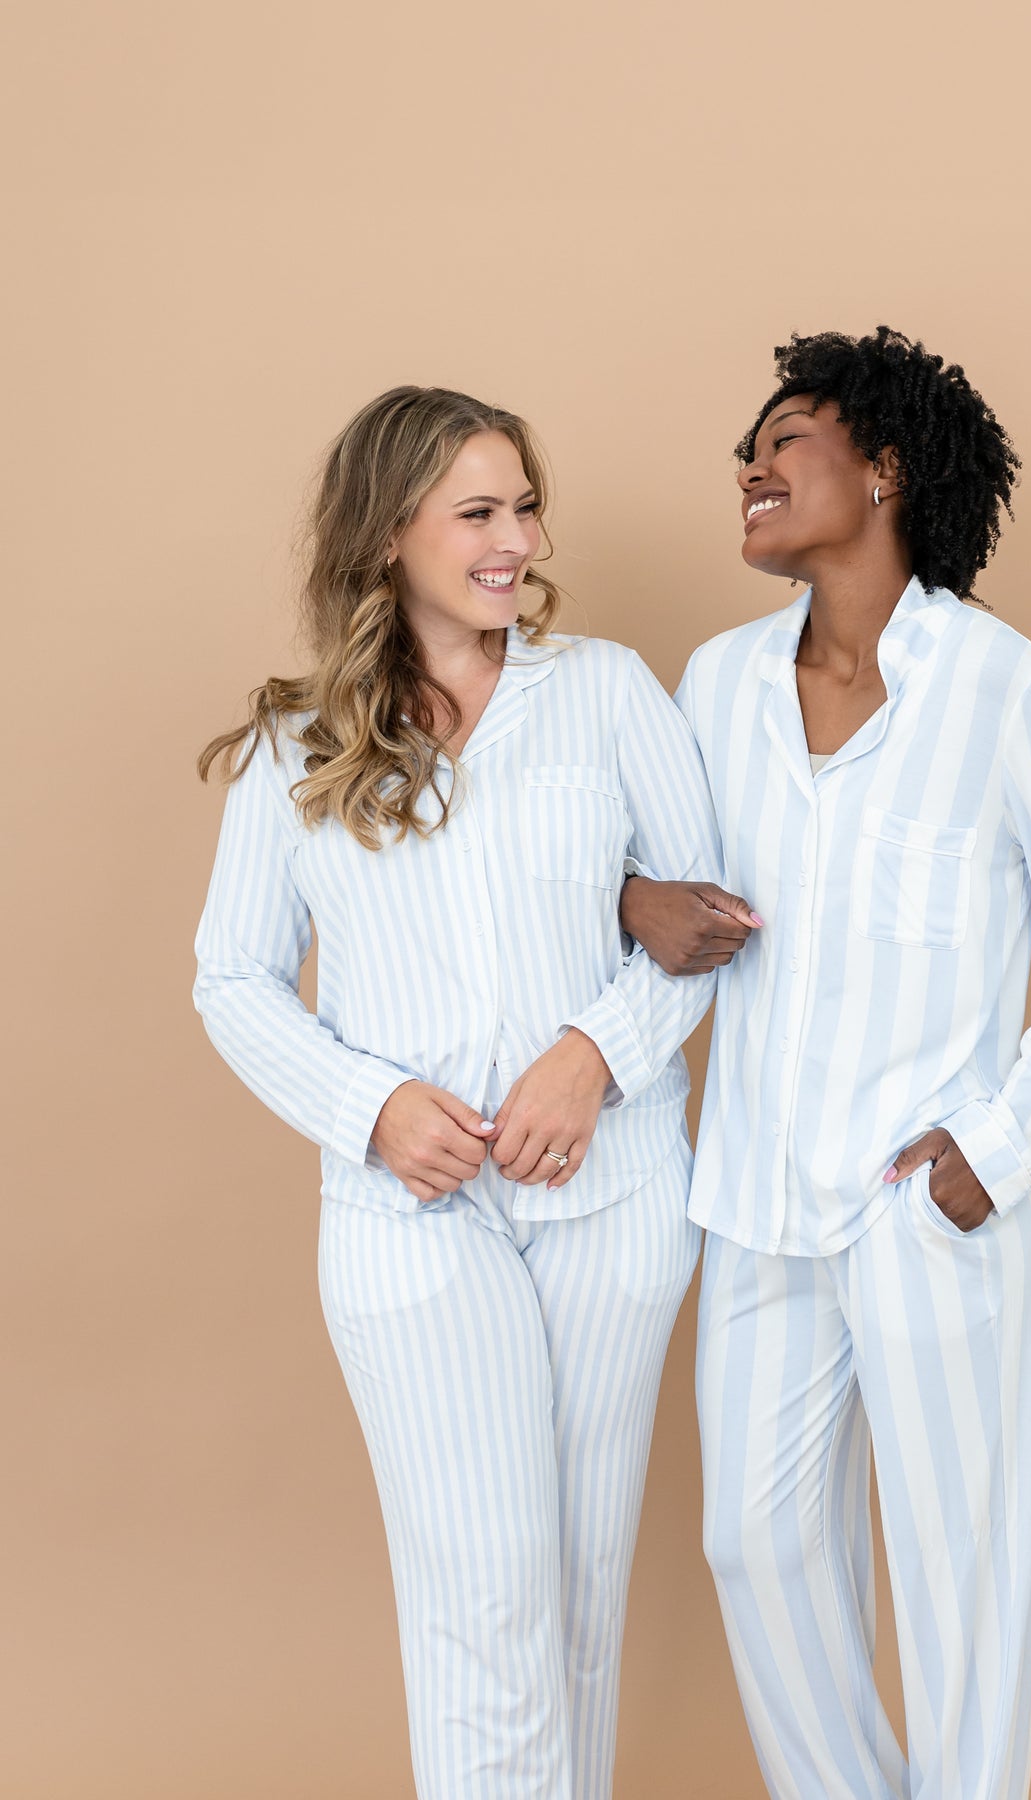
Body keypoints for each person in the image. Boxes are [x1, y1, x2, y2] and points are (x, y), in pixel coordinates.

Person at [621, 328, 1031, 1800]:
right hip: (757, 1202)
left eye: (787, 436)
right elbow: (644, 882)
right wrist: (628, 903)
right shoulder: (714, 685)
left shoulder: (1002, 688)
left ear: (889, 467)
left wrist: (1000, 1143)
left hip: (927, 1205)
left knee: (959, 1564)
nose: (753, 463)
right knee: (758, 1542)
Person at [193, 386, 734, 1800]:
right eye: (478, 512)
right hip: (412, 1223)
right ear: (388, 536)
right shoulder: (294, 747)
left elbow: (708, 926)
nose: (517, 540)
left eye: (524, 506)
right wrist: (368, 1106)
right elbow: (231, 980)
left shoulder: (608, 693)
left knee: (577, 1589)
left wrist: (595, 1053)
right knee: (484, 1590)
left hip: (612, 1198)